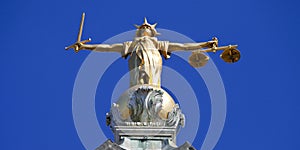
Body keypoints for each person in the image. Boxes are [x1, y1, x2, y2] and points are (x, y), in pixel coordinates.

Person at [72, 18, 218, 87]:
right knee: (137, 82)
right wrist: (86, 47)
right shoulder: (131, 44)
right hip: (136, 62)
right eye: (142, 26)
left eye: (147, 26)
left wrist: (204, 44)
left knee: (152, 83)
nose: (144, 27)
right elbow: (108, 47)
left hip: (154, 61)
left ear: (152, 32)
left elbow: (182, 46)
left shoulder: (156, 43)